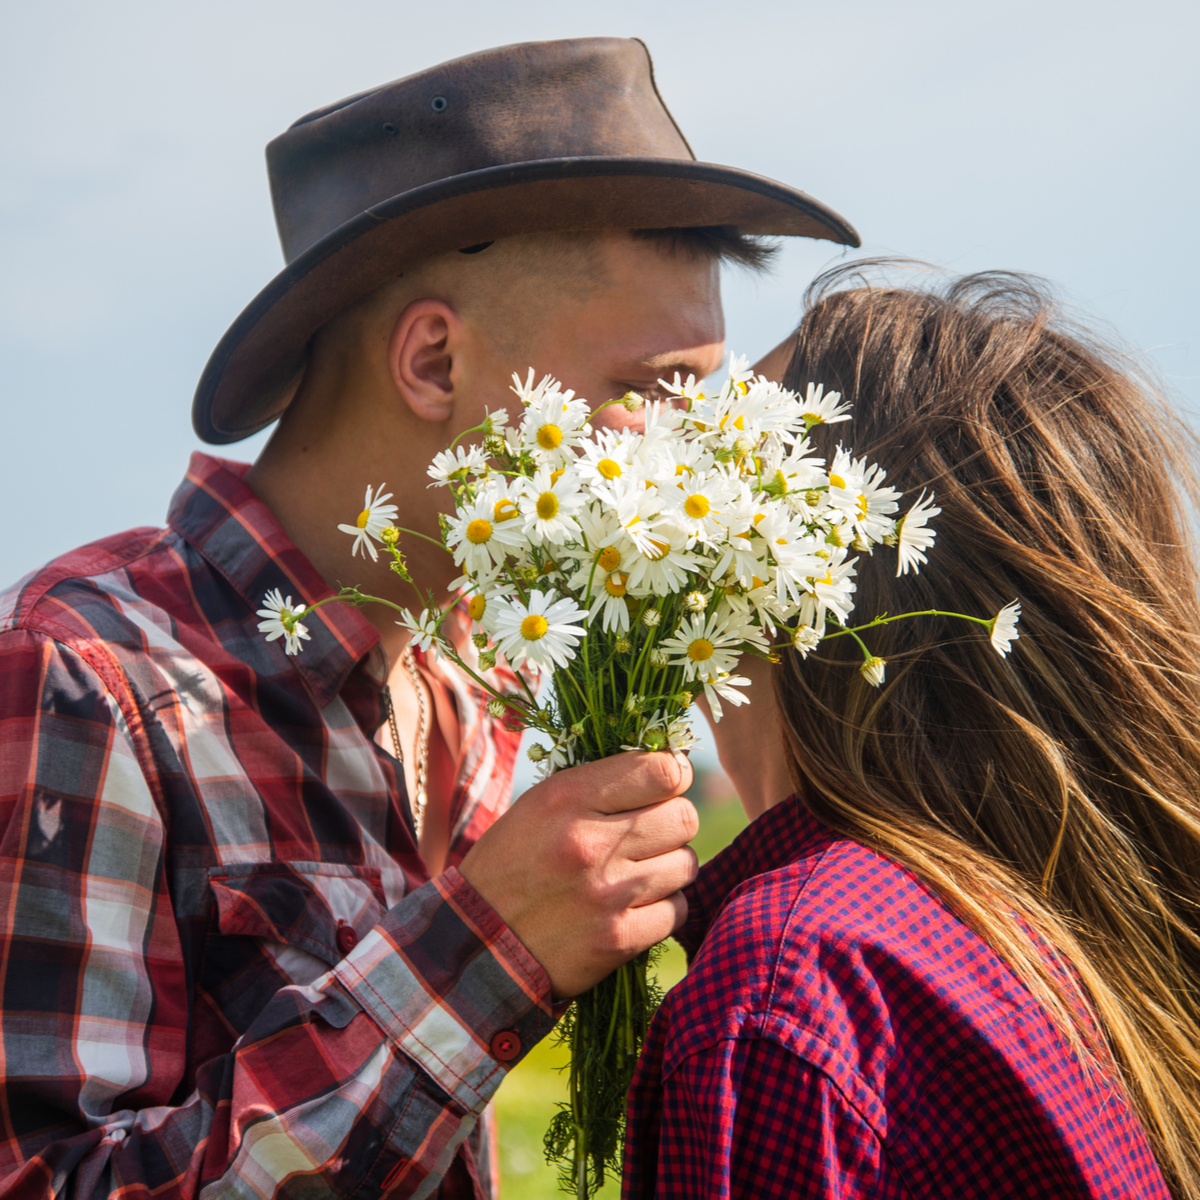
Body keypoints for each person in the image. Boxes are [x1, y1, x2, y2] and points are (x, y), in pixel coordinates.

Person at [0, 37, 860, 1200]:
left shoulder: (474, 687)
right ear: (434, 359)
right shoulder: (85, 672)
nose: (687, 456)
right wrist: (483, 952)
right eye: (650, 392)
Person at [623, 265, 1200, 1199]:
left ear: (785, 569)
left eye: (718, 459)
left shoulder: (794, 982)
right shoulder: (1031, 927)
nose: (660, 495)